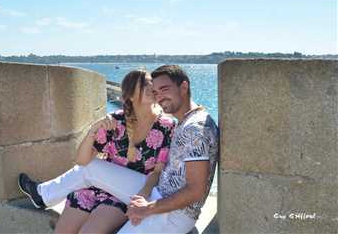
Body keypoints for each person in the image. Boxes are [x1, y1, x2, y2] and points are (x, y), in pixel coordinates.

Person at [19, 65, 219, 233]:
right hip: (158, 195)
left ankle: (43, 194)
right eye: (155, 91)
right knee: (90, 168)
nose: (158, 96)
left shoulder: (193, 128)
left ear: (184, 87)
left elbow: (195, 189)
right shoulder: (185, 121)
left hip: (171, 212)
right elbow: (82, 161)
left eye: (164, 89)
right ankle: (43, 194)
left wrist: (147, 207)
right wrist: (94, 129)